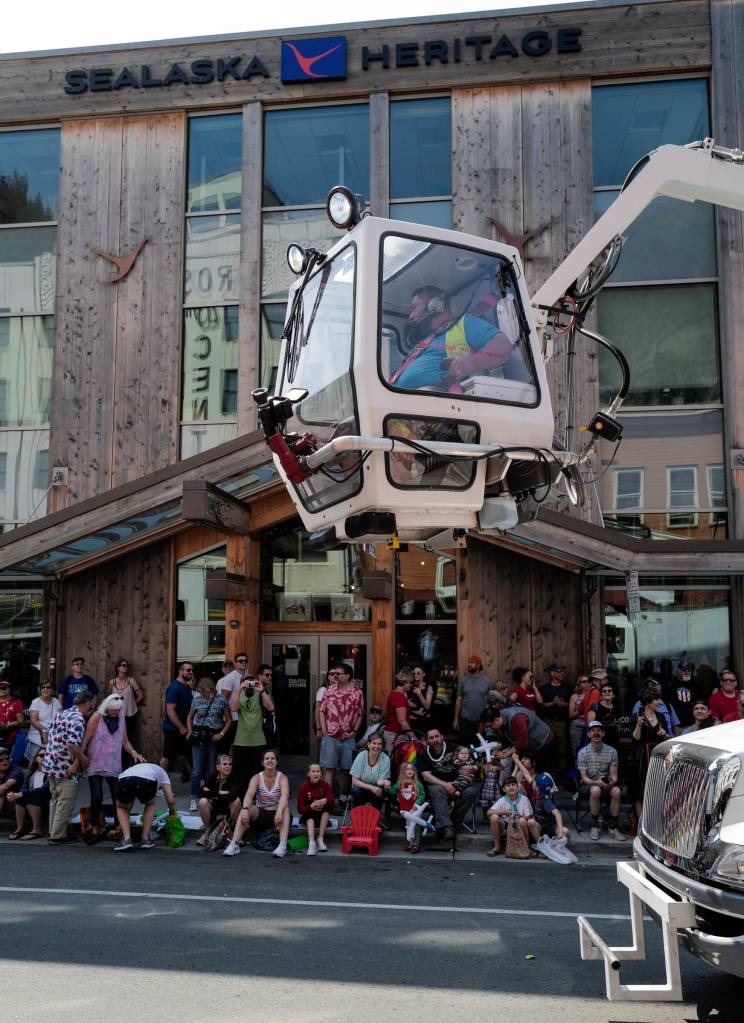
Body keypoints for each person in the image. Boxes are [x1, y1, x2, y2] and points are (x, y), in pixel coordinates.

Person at [391, 285, 512, 393]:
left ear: (434, 306)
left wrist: (470, 363)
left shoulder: (463, 323)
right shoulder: (423, 344)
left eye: (414, 308)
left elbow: (502, 346)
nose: (411, 316)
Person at [81, 693, 145, 838]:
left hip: (113, 762)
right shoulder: (97, 717)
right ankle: (95, 827)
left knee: (118, 796)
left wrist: (134, 752)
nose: (116, 712)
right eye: (113, 710)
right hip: (95, 761)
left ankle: (118, 827)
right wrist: (80, 759)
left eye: (118, 710)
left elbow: (125, 741)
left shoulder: (121, 718)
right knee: (97, 796)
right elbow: (86, 739)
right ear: (106, 707)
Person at [43, 689, 96, 844]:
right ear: (86, 704)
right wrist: (83, 759)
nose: (91, 709)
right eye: (91, 706)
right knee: (65, 802)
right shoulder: (77, 719)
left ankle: (53, 831)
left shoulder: (61, 713)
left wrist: (52, 750)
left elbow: (46, 732)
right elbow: (72, 744)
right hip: (65, 766)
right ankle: (58, 836)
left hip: (51, 764)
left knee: (55, 799)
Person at [223, 749, 290, 858]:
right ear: (262, 762)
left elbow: (285, 796)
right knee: (247, 808)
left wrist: (279, 811)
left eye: (272, 758)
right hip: (262, 814)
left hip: (278, 817)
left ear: (276, 762)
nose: (270, 760)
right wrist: (245, 809)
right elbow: (249, 795)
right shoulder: (257, 777)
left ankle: (283, 845)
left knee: (285, 808)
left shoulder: (282, 777)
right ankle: (234, 844)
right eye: (267, 758)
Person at [419, 727, 481, 842]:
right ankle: (446, 827)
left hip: (458, 785)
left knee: (471, 791)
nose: (435, 740)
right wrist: (445, 784)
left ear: (442, 737)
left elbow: (475, 759)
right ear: (427, 741)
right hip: (438, 786)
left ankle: (452, 822)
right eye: (431, 738)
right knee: (436, 790)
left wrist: (473, 767)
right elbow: (425, 775)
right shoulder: (425, 753)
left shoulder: (454, 748)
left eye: (437, 736)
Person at [319, 663, 364, 803]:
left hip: (348, 736)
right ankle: (328, 799)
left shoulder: (357, 692)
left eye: (338, 673)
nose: (335, 676)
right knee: (329, 768)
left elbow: (360, 713)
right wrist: (323, 730)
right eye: (334, 674)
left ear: (347, 676)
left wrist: (355, 731)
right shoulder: (329, 690)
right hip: (330, 735)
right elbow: (322, 711)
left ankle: (343, 798)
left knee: (345, 769)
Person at [186, 677, 231, 812]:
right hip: (199, 734)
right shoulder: (197, 700)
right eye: (202, 692)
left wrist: (221, 734)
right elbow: (190, 717)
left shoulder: (221, 700)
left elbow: (228, 720)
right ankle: (194, 797)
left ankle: (209, 795)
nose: (204, 694)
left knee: (212, 768)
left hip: (214, 735)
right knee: (197, 769)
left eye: (206, 691)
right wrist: (190, 731)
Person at [577, 721, 625, 841]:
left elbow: (614, 776)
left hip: (606, 782)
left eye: (598, 731)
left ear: (603, 733)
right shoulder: (582, 752)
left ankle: (613, 827)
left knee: (617, 791)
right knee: (595, 790)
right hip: (589, 784)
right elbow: (584, 777)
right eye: (593, 731)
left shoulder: (612, 751)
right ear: (588, 734)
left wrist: (609, 783)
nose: (596, 733)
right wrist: (596, 783)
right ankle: (595, 825)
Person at [114, 761, 178, 851]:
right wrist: (172, 812)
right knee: (150, 804)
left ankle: (126, 839)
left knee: (122, 807)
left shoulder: (133, 768)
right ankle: (145, 839)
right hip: (148, 780)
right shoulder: (161, 771)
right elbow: (170, 800)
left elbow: (131, 797)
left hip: (124, 779)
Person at [230, 673, 275, 799]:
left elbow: (271, 707)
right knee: (241, 773)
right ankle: (242, 798)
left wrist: (262, 690)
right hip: (241, 741)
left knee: (257, 772)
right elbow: (233, 708)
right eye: (247, 682)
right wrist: (239, 689)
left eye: (252, 682)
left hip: (258, 740)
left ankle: (257, 798)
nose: (250, 685)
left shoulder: (259, 694)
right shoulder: (239, 693)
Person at [630, 687, 670, 821]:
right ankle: (641, 823)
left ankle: (655, 821)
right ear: (648, 701)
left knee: (657, 789)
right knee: (640, 791)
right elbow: (635, 738)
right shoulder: (636, 716)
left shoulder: (661, 717)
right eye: (656, 699)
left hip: (657, 757)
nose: (659, 702)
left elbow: (668, 739)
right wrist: (638, 725)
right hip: (641, 758)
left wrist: (665, 734)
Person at [512, 752, 569, 842]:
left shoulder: (543, 779)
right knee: (530, 822)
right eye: (522, 758)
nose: (522, 760)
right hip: (530, 816)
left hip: (548, 822)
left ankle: (554, 845)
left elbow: (557, 812)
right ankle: (541, 845)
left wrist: (560, 832)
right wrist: (516, 766)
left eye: (525, 758)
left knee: (565, 832)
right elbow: (510, 786)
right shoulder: (528, 779)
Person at [488, 703, 555, 772]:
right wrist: (499, 748)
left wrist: (505, 754)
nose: (490, 729)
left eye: (490, 726)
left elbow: (522, 743)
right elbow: (510, 740)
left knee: (542, 771)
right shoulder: (501, 718)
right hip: (531, 744)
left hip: (543, 741)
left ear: (496, 720)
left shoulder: (517, 719)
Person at [486, 775, 540, 856]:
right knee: (494, 817)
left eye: (513, 785)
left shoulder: (524, 799)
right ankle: (497, 846)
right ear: (504, 789)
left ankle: (526, 846)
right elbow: (489, 812)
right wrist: (503, 812)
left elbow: (529, 816)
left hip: (522, 824)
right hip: (507, 824)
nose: (511, 787)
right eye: (508, 785)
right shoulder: (502, 800)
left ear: (517, 787)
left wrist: (521, 816)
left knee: (522, 820)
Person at [196, 752, 241, 846]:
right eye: (224, 764)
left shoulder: (234, 778)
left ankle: (233, 833)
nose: (228, 766)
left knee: (237, 801)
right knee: (203, 801)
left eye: (229, 764)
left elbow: (233, 795)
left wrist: (212, 794)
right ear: (218, 767)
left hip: (228, 812)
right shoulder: (212, 777)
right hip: (214, 811)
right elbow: (201, 792)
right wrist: (218, 792)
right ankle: (208, 832)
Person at [7, 747, 50, 840]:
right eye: (42, 755)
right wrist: (15, 795)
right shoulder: (32, 773)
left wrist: (23, 793)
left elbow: (44, 789)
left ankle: (37, 830)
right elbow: (24, 787)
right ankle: (20, 829)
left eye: (47, 755)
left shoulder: (50, 772)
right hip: (32, 804)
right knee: (20, 799)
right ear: (36, 758)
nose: (45, 757)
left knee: (30, 797)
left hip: (46, 804)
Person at [160, 661, 194, 775]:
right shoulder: (174, 687)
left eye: (192, 670)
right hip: (173, 728)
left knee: (185, 754)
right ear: (181, 671)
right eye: (188, 670)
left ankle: (193, 779)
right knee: (167, 756)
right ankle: (157, 782)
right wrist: (181, 728)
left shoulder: (186, 687)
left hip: (185, 728)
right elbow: (170, 710)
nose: (191, 672)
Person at [539, 664, 572, 776]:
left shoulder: (568, 688)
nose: (562, 673)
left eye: (562, 671)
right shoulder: (544, 689)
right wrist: (552, 703)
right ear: (552, 674)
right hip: (548, 722)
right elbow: (541, 705)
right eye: (559, 671)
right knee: (548, 748)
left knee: (562, 750)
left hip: (562, 722)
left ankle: (561, 775)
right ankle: (548, 774)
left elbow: (573, 703)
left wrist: (565, 704)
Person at [453, 655, 492, 746]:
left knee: (480, 746)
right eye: (469, 663)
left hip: (481, 721)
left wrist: (488, 719)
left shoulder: (487, 681)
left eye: (472, 663)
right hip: (465, 719)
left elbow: (490, 700)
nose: (469, 665)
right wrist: (455, 719)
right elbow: (458, 700)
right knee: (465, 745)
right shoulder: (463, 681)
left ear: (478, 665)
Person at [297, 762, 334, 856]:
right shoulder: (304, 787)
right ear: (308, 774)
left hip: (321, 818)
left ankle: (320, 839)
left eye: (318, 771)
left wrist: (325, 800)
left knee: (327, 808)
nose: (316, 773)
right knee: (310, 813)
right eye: (313, 771)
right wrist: (311, 806)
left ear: (321, 773)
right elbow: (300, 808)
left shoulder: (325, 785)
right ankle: (311, 843)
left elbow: (332, 801)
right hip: (308, 818)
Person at [390, 762, 427, 853]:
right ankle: (410, 843)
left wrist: (417, 803)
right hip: (405, 809)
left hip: (415, 809)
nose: (410, 771)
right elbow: (392, 791)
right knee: (408, 826)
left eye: (411, 769)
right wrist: (388, 787)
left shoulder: (417, 784)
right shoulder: (400, 783)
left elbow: (422, 795)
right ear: (403, 772)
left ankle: (416, 844)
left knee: (416, 825)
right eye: (407, 769)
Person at [107, 659, 144, 746]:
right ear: (118, 667)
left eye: (127, 666)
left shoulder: (131, 681)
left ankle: (128, 755)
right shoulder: (112, 682)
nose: (126, 667)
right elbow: (109, 698)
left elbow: (140, 696)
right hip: (116, 715)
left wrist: (132, 705)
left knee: (129, 738)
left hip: (129, 714)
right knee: (116, 738)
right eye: (123, 665)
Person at [350, 733, 391, 810]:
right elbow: (354, 781)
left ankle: (374, 815)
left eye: (379, 744)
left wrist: (385, 782)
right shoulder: (361, 756)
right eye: (374, 743)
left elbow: (379, 782)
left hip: (376, 788)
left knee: (381, 790)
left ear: (382, 746)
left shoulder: (385, 759)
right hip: (361, 787)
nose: (376, 746)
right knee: (356, 790)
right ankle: (358, 814)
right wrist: (371, 787)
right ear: (368, 744)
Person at [217, 652, 248, 751]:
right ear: (235, 663)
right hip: (234, 718)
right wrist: (228, 717)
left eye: (245, 661)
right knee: (232, 745)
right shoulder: (230, 677)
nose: (243, 663)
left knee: (242, 745)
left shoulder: (247, 676)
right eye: (240, 661)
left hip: (245, 717)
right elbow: (223, 699)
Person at [383, 669, 416, 753]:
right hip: (396, 734)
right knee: (395, 760)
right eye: (410, 682)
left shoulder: (394, 693)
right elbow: (402, 721)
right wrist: (414, 738)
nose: (411, 685)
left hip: (393, 734)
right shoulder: (399, 696)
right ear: (404, 682)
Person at [568, 673, 600, 758]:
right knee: (578, 751)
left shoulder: (593, 694)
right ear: (579, 684)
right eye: (584, 681)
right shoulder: (575, 696)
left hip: (590, 727)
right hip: (577, 727)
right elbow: (571, 714)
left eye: (588, 681)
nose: (586, 683)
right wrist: (584, 711)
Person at [663, 660, 700, 730]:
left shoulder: (695, 684)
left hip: (693, 723)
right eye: (684, 670)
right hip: (677, 725)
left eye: (689, 670)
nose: (687, 672)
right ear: (678, 671)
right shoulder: (671, 684)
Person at [27, 680, 62, 751]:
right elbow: (34, 721)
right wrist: (45, 730)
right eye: (43, 687)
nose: (45, 689)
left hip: (54, 734)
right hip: (37, 734)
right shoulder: (35, 702)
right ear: (40, 690)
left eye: (48, 687)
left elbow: (61, 719)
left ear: (52, 690)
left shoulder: (56, 701)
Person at [586, 681, 620, 751]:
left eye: (609, 691)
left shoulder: (617, 708)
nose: (607, 692)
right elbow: (590, 726)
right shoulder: (595, 707)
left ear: (613, 695)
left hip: (614, 742)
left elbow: (619, 724)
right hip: (599, 743)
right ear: (601, 695)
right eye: (604, 691)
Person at [0, 745, 23, 819]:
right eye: (1, 759)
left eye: (7, 758)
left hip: (15, 801)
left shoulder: (16, 770)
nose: (4, 761)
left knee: (3, 793)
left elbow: (6, 786)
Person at [0, 680, 24, 750]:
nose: (1, 690)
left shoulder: (16, 702)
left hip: (11, 738)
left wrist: (7, 725)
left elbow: (20, 721)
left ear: (9, 689)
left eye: (4, 688)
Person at [409, 666, 434, 730]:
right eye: (414, 673)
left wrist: (420, 694)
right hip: (410, 719)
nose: (415, 675)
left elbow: (427, 706)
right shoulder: (410, 686)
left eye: (418, 673)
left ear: (424, 674)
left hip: (422, 721)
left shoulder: (428, 687)